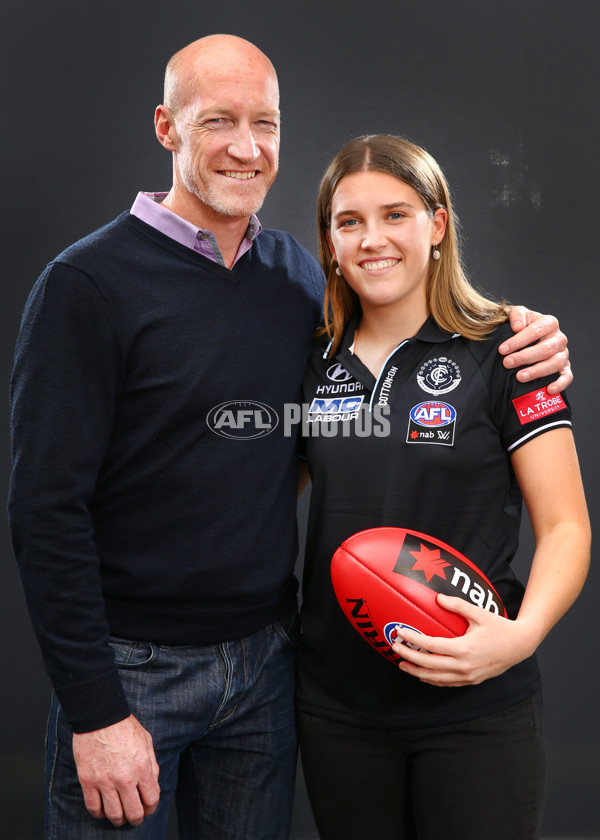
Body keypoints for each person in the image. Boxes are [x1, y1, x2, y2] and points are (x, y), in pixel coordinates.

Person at [8, 35, 572, 840]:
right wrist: (96, 709)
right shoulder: (85, 285)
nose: (247, 147)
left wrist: (525, 334)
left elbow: (295, 453)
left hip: (269, 667)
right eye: (217, 122)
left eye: (265, 122)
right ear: (167, 127)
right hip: (134, 672)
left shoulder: (299, 283)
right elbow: (43, 509)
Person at [295, 134, 591, 840]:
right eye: (350, 222)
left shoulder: (509, 351)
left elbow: (567, 527)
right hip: (338, 711)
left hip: (476, 705)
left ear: (438, 224)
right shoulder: (306, 360)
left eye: (396, 214)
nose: (373, 240)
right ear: (330, 244)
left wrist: (519, 638)